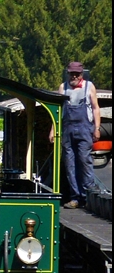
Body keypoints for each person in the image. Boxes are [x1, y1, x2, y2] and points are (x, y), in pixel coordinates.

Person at [52, 61, 101, 208]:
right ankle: (75, 197)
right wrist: (53, 130)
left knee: (84, 160)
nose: (74, 76)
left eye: (76, 74)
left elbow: (95, 108)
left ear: (81, 74)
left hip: (85, 129)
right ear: (68, 73)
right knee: (69, 164)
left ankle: (89, 195)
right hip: (67, 130)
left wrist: (97, 128)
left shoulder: (89, 86)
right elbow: (57, 110)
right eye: (71, 73)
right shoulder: (63, 87)